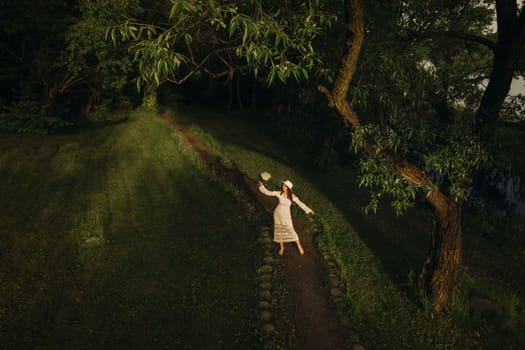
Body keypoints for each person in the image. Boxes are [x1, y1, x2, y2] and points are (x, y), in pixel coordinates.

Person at [258, 179, 315, 256]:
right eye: (283, 185)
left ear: (288, 188)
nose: (282, 187)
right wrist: (262, 186)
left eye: (284, 186)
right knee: (279, 230)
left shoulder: (292, 197)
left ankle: (299, 246)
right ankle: (282, 247)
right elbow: (268, 193)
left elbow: (300, 204)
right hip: (277, 214)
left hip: (286, 215)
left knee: (291, 229)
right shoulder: (279, 193)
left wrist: (309, 210)